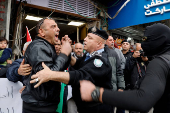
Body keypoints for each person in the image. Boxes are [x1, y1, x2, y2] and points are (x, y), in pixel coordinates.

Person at [79, 23, 170, 113]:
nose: (142, 45)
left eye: (146, 39)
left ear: (160, 40)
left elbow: (142, 100)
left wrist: (97, 93)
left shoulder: (160, 62)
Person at [30, 27, 113, 113]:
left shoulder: (100, 61)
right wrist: (67, 51)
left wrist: (51, 74)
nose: (85, 39)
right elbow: (78, 64)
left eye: (89, 38)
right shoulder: (89, 55)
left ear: (99, 44)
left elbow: (80, 75)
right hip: (85, 106)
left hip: (97, 108)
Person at [21, 17, 72, 113]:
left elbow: (61, 67)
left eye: (57, 26)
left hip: (45, 104)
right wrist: (64, 53)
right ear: (42, 32)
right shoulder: (38, 47)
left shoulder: (48, 46)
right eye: (53, 27)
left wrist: (67, 52)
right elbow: (48, 75)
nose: (58, 29)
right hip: (38, 106)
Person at [106, 36, 125, 113]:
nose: (112, 42)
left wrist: (121, 87)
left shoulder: (115, 53)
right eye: (110, 40)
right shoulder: (98, 52)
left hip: (112, 88)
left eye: (113, 40)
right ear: (104, 41)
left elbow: (119, 71)